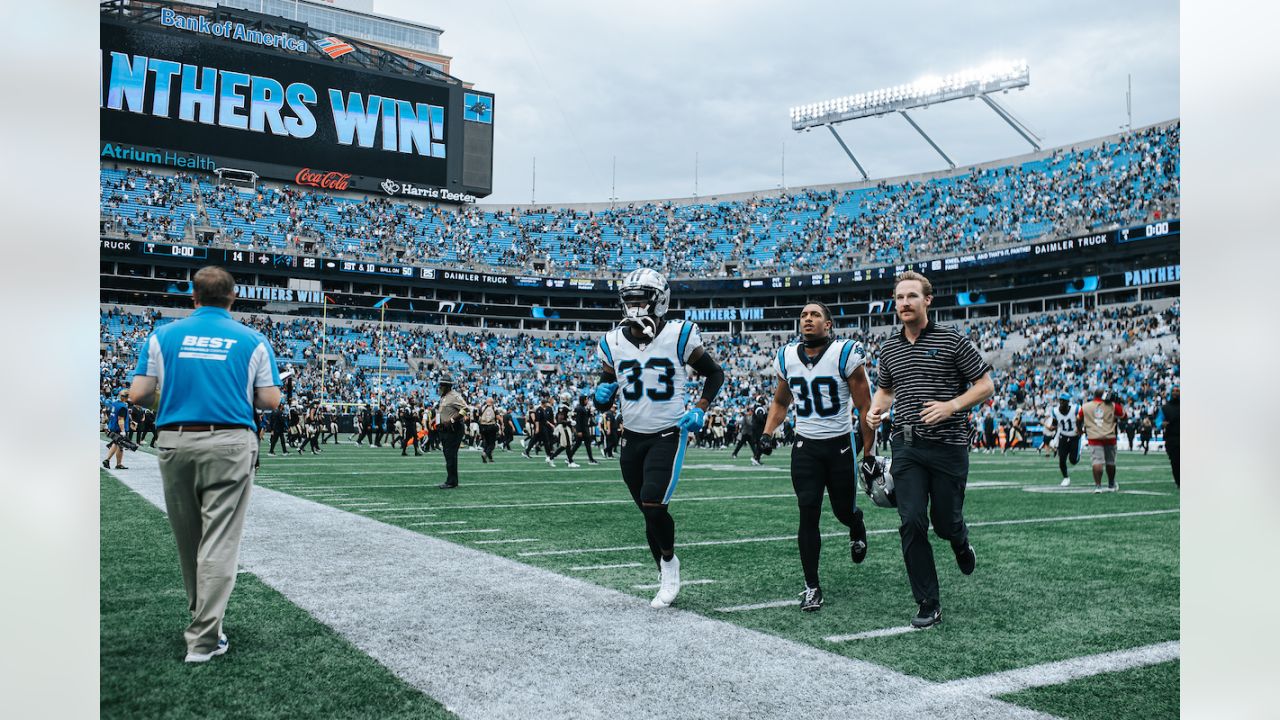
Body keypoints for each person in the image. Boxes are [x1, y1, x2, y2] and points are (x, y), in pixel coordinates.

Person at [127, 265, 281, 663]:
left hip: (176, 440)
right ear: (232, 299)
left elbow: (139, 393)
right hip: (231, 441)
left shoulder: (162, 335)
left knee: (189, 540)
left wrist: (172, 401)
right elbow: (270, 401)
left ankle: (203, 622)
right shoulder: (253, 339)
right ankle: (204, 638)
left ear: (193, 297)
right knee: (220, 541)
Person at [867, 271, 994, 629]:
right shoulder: (889, 348)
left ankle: (960, 540)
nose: (904, 303)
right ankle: (928, 602)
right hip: (906, 444)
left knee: (944, 522)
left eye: (911, 296)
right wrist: (876, 410)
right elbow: (886, 390)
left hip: (949, 445)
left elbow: (985, 385)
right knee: (911, 521)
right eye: (899, 297)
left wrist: (951, 406)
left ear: (927, 300)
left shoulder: (952, 340)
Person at [593, 269, 725, 609]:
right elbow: (606, 389)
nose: (635, 305)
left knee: (653, 502)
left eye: (642, 299)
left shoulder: (679, 335)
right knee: (648, 511)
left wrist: (700, 407)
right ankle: (664, 564)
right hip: (631, 436)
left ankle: (668, 565)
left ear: (659, 300)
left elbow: (715, 373)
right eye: (631, 299)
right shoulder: (612, 341)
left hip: (668, 432)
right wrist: (601, 395)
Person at [760, 302, 875, 612]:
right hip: (806, 447)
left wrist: (868, 452)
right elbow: (781, 402)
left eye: (815, 315)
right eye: (803, 315)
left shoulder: (844, 353)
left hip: (839, 446)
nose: (807, 319)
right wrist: (767, 434)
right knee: (807, 513)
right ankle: (812, 585)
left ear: (828, 324)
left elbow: (865, 406)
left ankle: (856, 523)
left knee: (841, 511)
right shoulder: (786, 357)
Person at [1080, 388, 1125, 493]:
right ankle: (1111, 484)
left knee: (1097, 461)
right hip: (1109, 436)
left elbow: (1079, 418)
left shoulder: (1085, 406)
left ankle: (1098, 486)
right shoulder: (1113, 406)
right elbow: (1124, 416)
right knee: (1110, 462)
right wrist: (1118, 404)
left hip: (1094, 436)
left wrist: (1080, 430)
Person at [436, 375, 468, 489]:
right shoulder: (443, 397)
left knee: (451, 455)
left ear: (447, 386)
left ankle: (452, 481)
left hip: (454, 429)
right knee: (447, 454)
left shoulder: (454, 396)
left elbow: (466, 409)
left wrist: (452, 420)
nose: (439, 387)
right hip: (445, 430)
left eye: (442, 385)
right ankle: (451, 479)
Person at [1051, 392, 1082, 486]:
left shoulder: (1076, 409)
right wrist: (1052, 428)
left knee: (1073, 460)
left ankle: (1078, 453)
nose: (1062, 403)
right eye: (1061, 400)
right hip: (1063, 436)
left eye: (1064, 401)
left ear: (1068, 402)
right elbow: (1055, 423)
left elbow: (1082, 419)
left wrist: (1080, 428)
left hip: (1075, 437)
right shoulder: (1055, 411)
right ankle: (1066, 477)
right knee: (1062, 459)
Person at [103, 389, 132, 470]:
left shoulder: (115, 403)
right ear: (126, 397)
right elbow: (120, 419)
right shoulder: (122, 406)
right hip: (118, 428)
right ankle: (107, 460)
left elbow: (111, 414)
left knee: (120, 446)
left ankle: (118, 464)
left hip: (112, 426)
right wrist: (123, 431)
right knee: (116, 443)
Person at [569, 394, 601, 465]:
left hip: (584, 429)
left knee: (581, 444)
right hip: (583, 430)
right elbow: (579, 420)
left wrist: (589, 411)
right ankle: (591, 460)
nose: (587, 401)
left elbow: (585, 417)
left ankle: (569, 458)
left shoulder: (582, 408)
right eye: (586, 399)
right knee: (582, 444)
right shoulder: (580, 408)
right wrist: (579, 431)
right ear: (583, 400)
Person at [1161, 386, 1179, 487]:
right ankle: (1178, 481)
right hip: (1171, 438)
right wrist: (1161, 424)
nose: (1175, 393)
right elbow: (1159, 420)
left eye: (1178, 391)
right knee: (1175, 461)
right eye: (1174, 391)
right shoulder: (1165, 408)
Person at [477, 396, 499, 463]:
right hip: (491, 426)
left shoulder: (482, 408)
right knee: (492, 444)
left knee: (486, 442)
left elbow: (479, 417)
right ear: (492, 402)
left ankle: (489, 458)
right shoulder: (494, 408)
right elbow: (498, 417)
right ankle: (485, 454)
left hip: (483, 426)